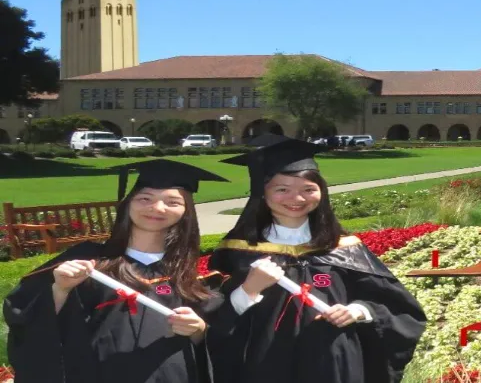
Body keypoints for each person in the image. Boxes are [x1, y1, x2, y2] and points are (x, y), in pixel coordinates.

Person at [207, 135, 426, 383]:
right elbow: (212, 319)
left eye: (308, 189)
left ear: (321, 191)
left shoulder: (344, 248)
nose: (297, 199)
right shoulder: (237, 252)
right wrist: (248, 290)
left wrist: (358, 311)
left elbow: (398, 308)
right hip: (264, 366)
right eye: (282, 189)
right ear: (262, 193)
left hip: (334, 365)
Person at [4, 159, 229, 383]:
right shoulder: (88, 261)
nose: (157, 208)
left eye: (172, 202)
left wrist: (199, 331)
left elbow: (225, 339)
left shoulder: (194, 273)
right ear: (128, 203)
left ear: (185, 212)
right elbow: (25, 318)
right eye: (145, 198)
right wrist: (60, 289)